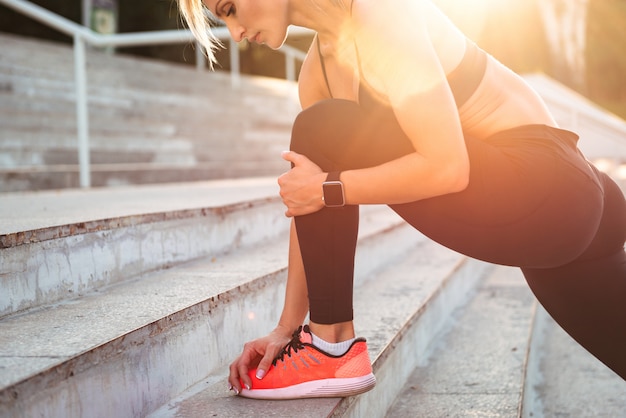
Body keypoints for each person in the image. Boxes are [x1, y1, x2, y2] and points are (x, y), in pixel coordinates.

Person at [178, 0, 626, 399]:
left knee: (320, 127)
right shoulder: (318, 73)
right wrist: (285, 326)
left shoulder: (381, 12)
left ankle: (332, 346)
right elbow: (307, 204)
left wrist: (330, 186)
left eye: (229, 8)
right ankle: (321, 340)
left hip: (546, 188)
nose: (235, 34)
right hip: (573, 205)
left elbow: (447, 167)